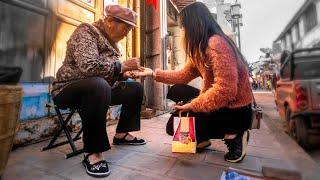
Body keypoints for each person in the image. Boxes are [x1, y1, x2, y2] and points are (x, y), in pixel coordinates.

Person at [138, 2, 253, 163]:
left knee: (177, 123)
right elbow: (183, 75)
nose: (182, 31)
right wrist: (153, 73)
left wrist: (192, 105)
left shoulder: (216, 44)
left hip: (235, 110)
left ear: (193, 25)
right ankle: (203, 138)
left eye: (183, 27)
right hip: (222, 105)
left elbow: (225, 89)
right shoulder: (200, 48)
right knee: (177, 100)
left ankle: (235, 134)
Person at [52, 5, 146, 177]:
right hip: (67, 89)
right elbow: (88, 67)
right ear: (109, 21)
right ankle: (93, 152)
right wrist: (122, 65)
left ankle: (122, 134)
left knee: (135, 89)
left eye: (130, 29)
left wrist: (123, 75)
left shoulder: (113, 45)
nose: (127, 33)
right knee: (99, 85)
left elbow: (108, 73)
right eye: (126, 27)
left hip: (97, 91)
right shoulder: (86, 32)